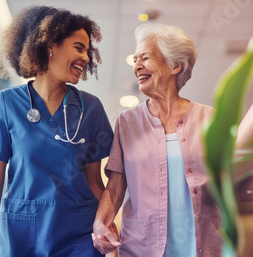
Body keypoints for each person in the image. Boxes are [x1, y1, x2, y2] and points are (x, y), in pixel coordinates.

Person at [0, 6, 115, 257]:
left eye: (87, 51)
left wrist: (108, 231)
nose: (87, 58)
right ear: (50, 45)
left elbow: (94, 182)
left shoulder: (90, 109)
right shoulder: (7, 104)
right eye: (79, 48)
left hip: (79, 234)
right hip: (20, 232)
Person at [91, 23, 222, 257]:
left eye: (145, 58)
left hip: (204, 248)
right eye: (135, 59)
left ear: (175, 66)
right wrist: (100, 224)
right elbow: (115, 187)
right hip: (143, 248)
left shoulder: (209, 119)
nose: (137, 66)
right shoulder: (127, 122)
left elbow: (231, 186)